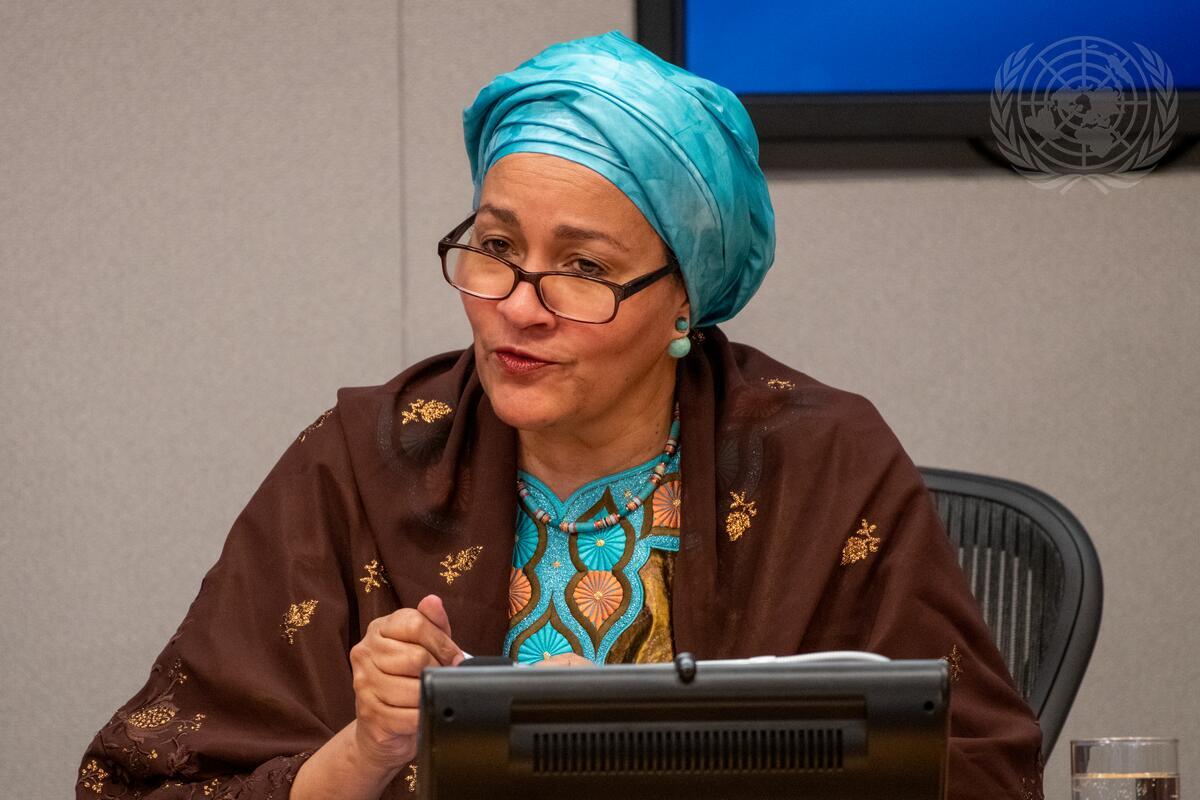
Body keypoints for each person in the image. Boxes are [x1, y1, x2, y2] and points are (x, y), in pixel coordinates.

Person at [76, 30, 1043, 799]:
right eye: (496, 247)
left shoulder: (822, 465)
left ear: (684, 301)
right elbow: (146, 781)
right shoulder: (360, 462)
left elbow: (979, 772)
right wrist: (365, 751)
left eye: (584, 267)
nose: (519, 305)